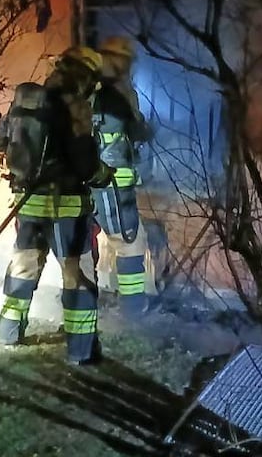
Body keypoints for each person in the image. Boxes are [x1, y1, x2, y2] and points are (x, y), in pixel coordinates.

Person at [0, 46, 114, 365]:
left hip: (28, 203)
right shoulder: (75, 106)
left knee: (23, 266)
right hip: (67, 209)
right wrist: (104, 174)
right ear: (86, 77)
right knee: (77, 276)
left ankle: (8, 332)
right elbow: (85, 163)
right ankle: (81, 351)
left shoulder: (28, 99)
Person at [91, 36, 154, 315]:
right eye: (125, 61)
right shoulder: (116, 95)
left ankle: (85, 300)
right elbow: (134, 131)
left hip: (89, 181)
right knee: (130, 241)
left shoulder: (87, 92)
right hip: (113, 183)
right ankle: (132, 308)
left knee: (84, 242)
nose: (129, 67)